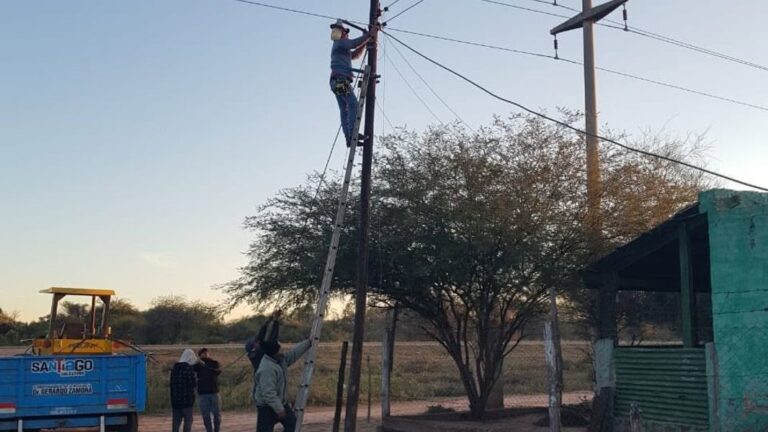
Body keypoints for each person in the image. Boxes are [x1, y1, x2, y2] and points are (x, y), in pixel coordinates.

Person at [329, 19, 378, 147]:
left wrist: (365, 40)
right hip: (340, 80)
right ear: (344, 33)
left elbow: (355, 54)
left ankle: (349, 137)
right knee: (353, 104)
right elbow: (353, 44)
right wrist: (369, 35)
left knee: (345, 109)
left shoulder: (340, 48)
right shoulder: (339, 43)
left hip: (336, 82)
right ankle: (352, 135)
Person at [253, 338, 312, 432]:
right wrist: (279, 409)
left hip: (280, 403)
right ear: (274, 353)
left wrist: (308, 342)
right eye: (280, 350)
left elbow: (293, 353)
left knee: (293, 427)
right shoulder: (267, 369)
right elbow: (268, 393)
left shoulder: (280, 359)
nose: (283, 352)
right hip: (266, 407)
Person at [194, 348, 222, 432]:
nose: (205, 354)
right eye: (203, 353)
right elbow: (192, 369)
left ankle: (217, 430)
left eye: (206, 352)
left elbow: (218, 371)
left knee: (217, 414)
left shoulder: (214, 363)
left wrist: (205, 365)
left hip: (214, 392)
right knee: (205, 415)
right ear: (200, 355)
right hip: (203, 394)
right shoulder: (197, 365)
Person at [170, 349, 198, 432]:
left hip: (175, 401)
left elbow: (171, 385)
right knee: (188, 421)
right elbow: (192, 383)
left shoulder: (174, 368)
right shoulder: (188, 368)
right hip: (187, 401)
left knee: (176, 422)